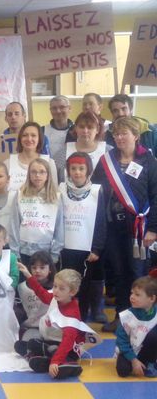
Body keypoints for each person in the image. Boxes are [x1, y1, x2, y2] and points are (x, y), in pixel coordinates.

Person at [92, 117, 157, 332]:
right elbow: (95, 190)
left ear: (136, 136)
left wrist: (153, 229)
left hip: (139, 229)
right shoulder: (106, 160)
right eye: (116, 134)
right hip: (113, 228)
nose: (119, 138)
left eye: (124, 133)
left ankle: (141, 321)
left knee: (138, 274)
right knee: (119, 274)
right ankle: (121, 318)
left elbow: (156, 196)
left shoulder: (148, 160)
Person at [14, 267, 100, 379]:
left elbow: (67, 341)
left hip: (68, 348)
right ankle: (47, 354)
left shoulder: (71, 313)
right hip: (53, 341)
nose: (56, 290)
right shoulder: (57, 298)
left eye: (61, 288)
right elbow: (43, 294)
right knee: (22, 344)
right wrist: (29, 276)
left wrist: (55, 361)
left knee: (55, 364)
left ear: (72, 292)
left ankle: (65, 363)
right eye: (54, 286)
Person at [59, 152, 107, 323]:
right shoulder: (61, 189)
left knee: (84, 285)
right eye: (73, 168)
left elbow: (101, 221)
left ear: (88, 170)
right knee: (65, 283)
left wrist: (97, 248)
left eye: (81, 168)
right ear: (68, 170)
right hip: (66, 247)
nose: (77, 172)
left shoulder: (96, 191)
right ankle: (65, 316)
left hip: (87, 249)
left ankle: (82, 316)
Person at [10, 158, 64, 265]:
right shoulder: (20, 195)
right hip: (23, 251)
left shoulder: (56, 197)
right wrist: (15, 252)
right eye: (33, 172)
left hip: (46, 252)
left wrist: (55, 253)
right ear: (29, 175)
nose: (37, 175)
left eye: (42, 172)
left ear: (48, 175)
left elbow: (59, 227)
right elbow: (14, 225)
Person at [115, 275, 157, 377]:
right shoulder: (126, 316)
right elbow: (121, 341)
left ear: (152, 298)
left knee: (153, 335)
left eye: (137, 295)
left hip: (148, 351)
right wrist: (133, 360)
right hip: (130, 351)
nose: (132, 297)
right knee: (123, 371)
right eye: (132, 293)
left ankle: (150, 362)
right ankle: (140, 363)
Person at [6, 122, 58, 192]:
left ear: (39, 138)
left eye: (33, 135)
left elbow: (55, 192)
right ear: (20, 138)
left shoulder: (49, 163)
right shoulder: (8, 163)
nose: (29, 139)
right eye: (25, 135)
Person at [17, 251, 56, 341]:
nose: (37, 271)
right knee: (29, 341)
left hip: (51, 328)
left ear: (50, 269)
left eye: (42, 268)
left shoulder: (56, 288)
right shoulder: (22, 287)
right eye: (34, 268)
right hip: (32, 328)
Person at [62, 111, 110, 179]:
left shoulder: (108, 151)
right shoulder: (63, 152)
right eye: (81, 127)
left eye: (90, 127)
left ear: (98, 129)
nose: (85, 131)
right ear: (76, 128)